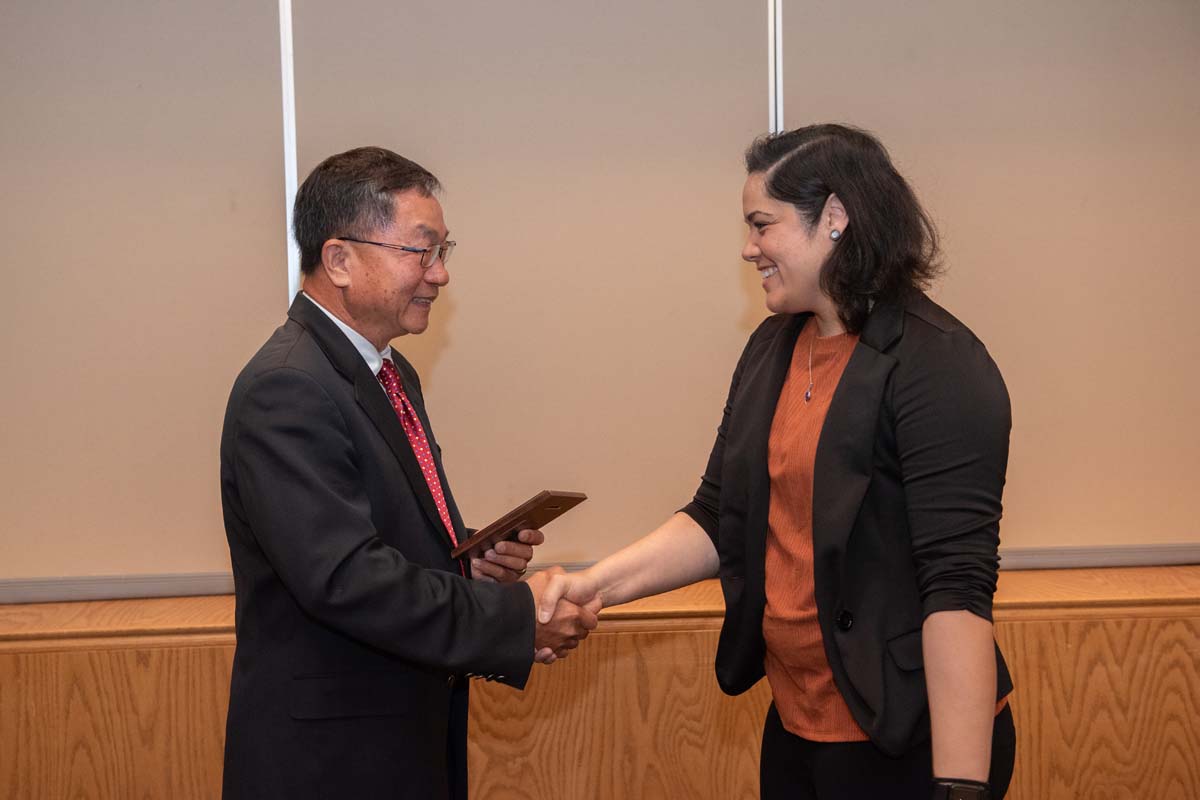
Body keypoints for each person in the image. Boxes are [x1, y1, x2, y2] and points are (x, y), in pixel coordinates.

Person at [537, 124, 1016, 799]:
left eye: (763, 225)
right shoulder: (772, 346)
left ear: (836, 219)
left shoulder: (938, 364)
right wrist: (595, 587)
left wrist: (960, 785)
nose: (748, 247)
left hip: (910, 741)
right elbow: (717, 514)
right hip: (797, 727)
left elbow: (957, 590)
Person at [219, 146, 598, 800]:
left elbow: (378, 540)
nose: (440, 275)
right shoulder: (289, 387)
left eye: (444, 250)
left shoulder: (386, 372)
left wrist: (465, 562)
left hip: (397, 738)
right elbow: (346, 578)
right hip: (331, 763)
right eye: (420, 251)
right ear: (339, 259)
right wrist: (516, 619)